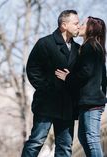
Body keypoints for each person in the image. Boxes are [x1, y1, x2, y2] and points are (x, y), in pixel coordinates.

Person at [21, 10, 80, 157]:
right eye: (76, 23)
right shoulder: (44, 43)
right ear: (64, 25)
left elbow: (81, 76)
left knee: (65, 146)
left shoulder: (78, 49)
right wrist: (47, 88)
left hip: (68, 106)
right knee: (36, 142)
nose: (79, 26)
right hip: (46, 103)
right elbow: (32, 69)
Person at [55, 16, 107, 157]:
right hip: (88, 102)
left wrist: (68, 77)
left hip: (91, 102)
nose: (79, 26)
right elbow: (103, 77)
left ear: (91, 28)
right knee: (84, 138)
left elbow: (86, 72)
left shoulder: (91, 46)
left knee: (91, 139)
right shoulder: (93, 47)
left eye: (83, 24)